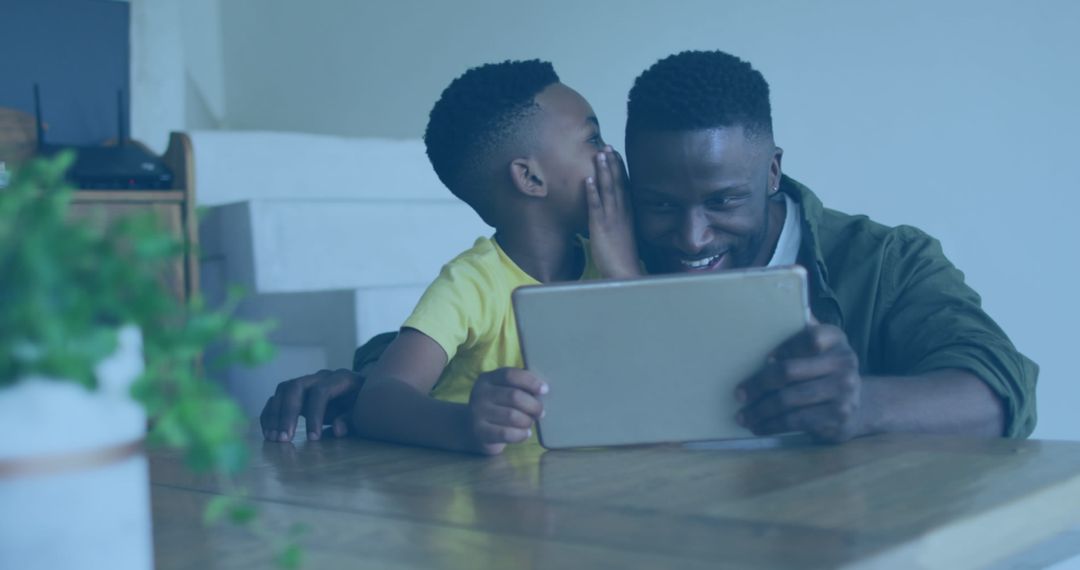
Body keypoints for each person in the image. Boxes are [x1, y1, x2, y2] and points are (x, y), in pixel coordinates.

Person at [263, 50, 1037, 447]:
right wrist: (372, 383)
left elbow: (1000, 391)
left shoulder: (884, 261)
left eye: (726, 202)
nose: (691, 238)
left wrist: (863, 403)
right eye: (661, 202)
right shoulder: (604, 246)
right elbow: (492, 332)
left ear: (773, 171)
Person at [262, 59, 637, 454]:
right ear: (530, 178)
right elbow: (378, 399)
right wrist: (466, 425)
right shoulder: (472, 282)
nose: (609, 153)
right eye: (593, 139)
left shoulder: (613, 258)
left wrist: (625, 273)